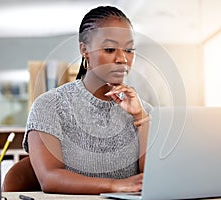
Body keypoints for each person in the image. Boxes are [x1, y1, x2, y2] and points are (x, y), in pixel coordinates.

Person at [23, 5, 151, 194]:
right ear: (84, 50)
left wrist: (142, 118)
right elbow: (49, 178)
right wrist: (114, 186)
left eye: (129, 49)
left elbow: (153, 179)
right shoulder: (50, 105)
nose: (123, 59)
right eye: (109, 49)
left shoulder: (144, 110)